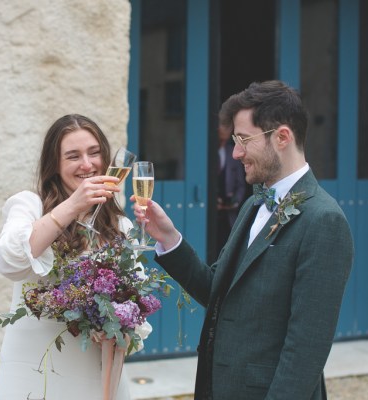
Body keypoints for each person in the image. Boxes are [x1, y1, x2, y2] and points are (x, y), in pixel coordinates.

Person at [133, 80, 354, 400]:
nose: (236, 153)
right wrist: (169, 238)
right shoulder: (253, 204)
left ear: (282, 137)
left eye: (243, 140)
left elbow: (305, 351)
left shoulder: (325, 221)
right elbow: (217, 290)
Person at [0, 114, 143, 399]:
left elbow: (134, 297)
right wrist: (73, 205)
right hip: (39, 370)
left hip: (97, 373)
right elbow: (10, 262)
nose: (87, 165)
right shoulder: (29, 206)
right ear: (55, 164)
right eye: (73, 156)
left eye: (94, 152)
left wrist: (120, 326)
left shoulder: (118, 225)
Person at [216, 122, 248, 255]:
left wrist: (234, 202)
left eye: (225, 138)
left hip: (228, 214)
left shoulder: (232, 152)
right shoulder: (204, 151)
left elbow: (241, 183)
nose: (222, 142)